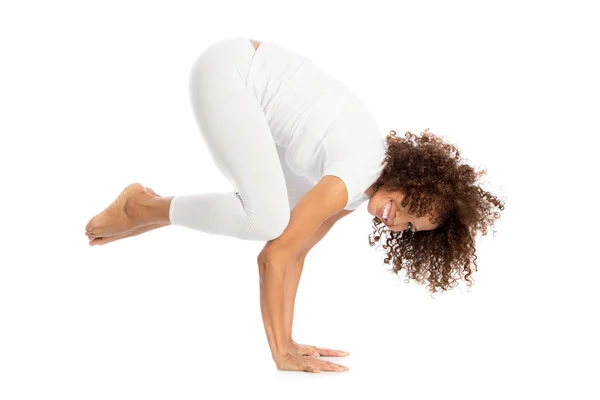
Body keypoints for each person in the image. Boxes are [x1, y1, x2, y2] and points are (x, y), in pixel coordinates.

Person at [85, 36, 505, 373]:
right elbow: (273, 256)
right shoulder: (359, 168)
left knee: (277, 218)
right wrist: (278, 353)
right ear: (413, 178)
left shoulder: (359, 190)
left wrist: (289, 340)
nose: (400, 222)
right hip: (230, 74)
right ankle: (144, 209)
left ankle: (148, 209)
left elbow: (298, 251)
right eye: (412, 205)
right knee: (267, 220)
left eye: (412, 228)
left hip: (238, 80)